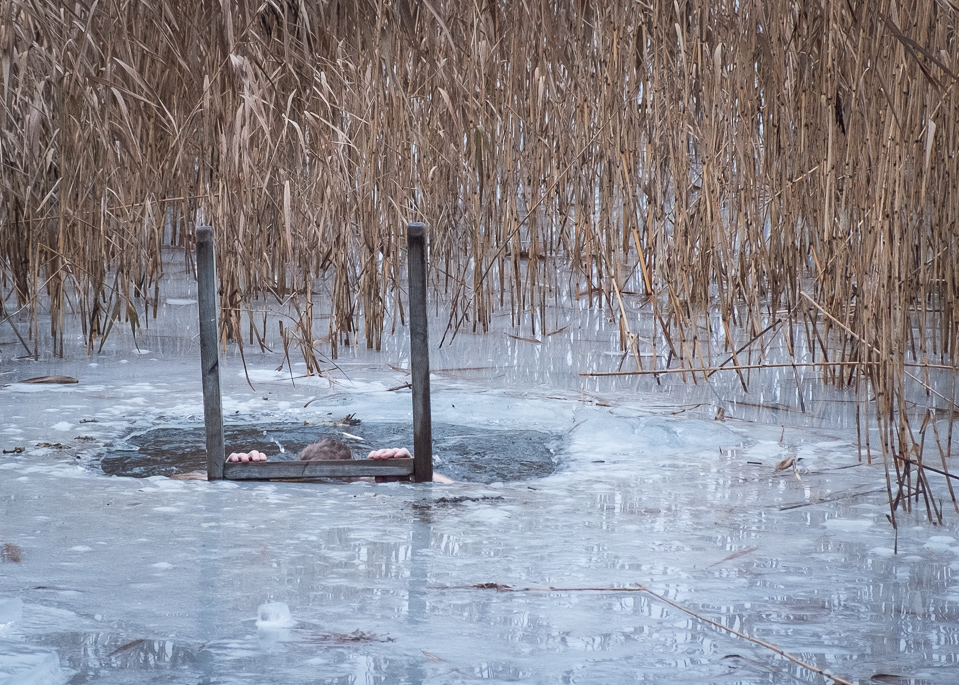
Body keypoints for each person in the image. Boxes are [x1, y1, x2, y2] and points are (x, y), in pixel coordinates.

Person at [226, 438, 453, 483]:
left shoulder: (367, 480)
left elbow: (468, 493)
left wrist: (414, 470)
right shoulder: (284, 481)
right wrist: (233, 471)